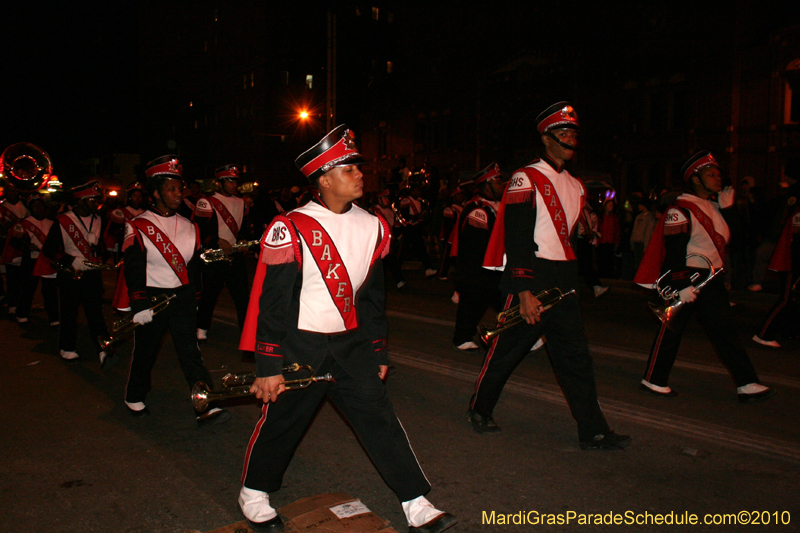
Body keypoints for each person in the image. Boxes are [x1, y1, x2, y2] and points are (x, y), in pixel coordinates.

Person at [237, 125, 456, 533]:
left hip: (352, 344)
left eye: (358, 167)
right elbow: (272, 304)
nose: (360, 174)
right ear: (323, 179)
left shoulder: (373, 225)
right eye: (349, 168)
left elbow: (372, 299)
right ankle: (254, 491)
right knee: (284, 422)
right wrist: (269, 365)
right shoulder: (291, 227)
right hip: (300, 343)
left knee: (380, 419)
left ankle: (415, 501)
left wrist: (379, 351)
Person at [473, 102, 630, 451]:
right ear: (546, 139)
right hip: (534, 274)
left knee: (576, 359)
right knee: (507, 352)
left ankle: (593, 430)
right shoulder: (524, 178)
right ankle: (480, 409)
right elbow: (517, 237)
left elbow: (568, 240)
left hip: (565, 277)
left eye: (574, 133)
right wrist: (524, 290)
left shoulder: (576, 186)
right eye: (563, 133)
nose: (570, 139)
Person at [634, 151, 773, 402]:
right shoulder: (681, 209)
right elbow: (674, 253)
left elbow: (742, 242)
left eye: (719, 174)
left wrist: (730, 210)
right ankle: (654, 379)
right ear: (695, 179)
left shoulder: (716, 207)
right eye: (711, 174)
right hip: (687, 276)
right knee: (671, 329)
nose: (718, 178)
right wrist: (682, 284)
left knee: (725, 330)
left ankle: (746, 382)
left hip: (712, 278)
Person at [122, 155, 230, 426]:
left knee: (190, 351)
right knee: (146, 350)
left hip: (181, 296)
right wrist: (139, 304)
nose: (178, 193)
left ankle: (204, 402)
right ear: (156, 192)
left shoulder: (189, 225)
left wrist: (194, 298)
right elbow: (133, 268)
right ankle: (134, 394)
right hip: (152, 297)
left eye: (180, 188)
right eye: (171, 188)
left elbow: (192, 268)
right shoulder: (138, 225)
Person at [41, 180, 111, 365]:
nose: (97, 204)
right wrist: (70, 259)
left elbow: (101, 246)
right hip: (71, 273)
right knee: (69, 312)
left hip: (91, 273)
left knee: (96, 313)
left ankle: (103, 349)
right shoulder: (63, 220)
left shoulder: (99, 219)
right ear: (81, 201)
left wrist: (97, 248)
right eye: (92, 200)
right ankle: (67, 347)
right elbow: (49, 250)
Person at [194, 164, 251, 341]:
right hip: (215, 257)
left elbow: (245, 228)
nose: (235, 184)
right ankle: (201, 328)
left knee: (242, 298)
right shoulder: (206, 202)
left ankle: (247, 333)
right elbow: (199, 229)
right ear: (220, 183)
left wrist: (243, 240)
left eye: (236, 181)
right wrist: (217, 241)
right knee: (210, 295)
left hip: (235, 256)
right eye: (230, 181)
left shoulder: (242, 203)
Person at [451, 163, 504, 350]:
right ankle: (462, 338)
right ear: (486, 184)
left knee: (506, 302)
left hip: (493, 268)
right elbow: (479, 244)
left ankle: (523, 335)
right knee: (472, 304)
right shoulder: (478, 209)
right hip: (477, 269)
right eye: (497, 181)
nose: (502, 184)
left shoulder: (496, 206)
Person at [752, 183, 800, 347]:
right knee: (787, 299)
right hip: (792, 262)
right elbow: (796, 242)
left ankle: (791, 330)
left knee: (793, 300)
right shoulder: (797, 213)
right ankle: (764, 333)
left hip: (792, 260)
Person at [13, 193, 59, 325]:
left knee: (50, 290)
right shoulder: (24, 223)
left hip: (47, 260)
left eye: (40, 206)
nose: (38, 209)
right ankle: (21, 313)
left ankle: (54, 317)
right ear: (30, 208)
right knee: (28, 288)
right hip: (31, 261)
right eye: (35, 206)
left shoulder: (52, 223)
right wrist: (27, 246)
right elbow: (16, 242)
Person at [1, 186, 30, 314]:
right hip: (9, 245)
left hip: (25, 246)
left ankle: (23, 303)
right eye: (10, 191)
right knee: (12, 277)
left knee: (25, 278)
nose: (12, 193)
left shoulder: (26, 205)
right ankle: (12, 304)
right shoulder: (2, 208)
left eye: (15, 190)